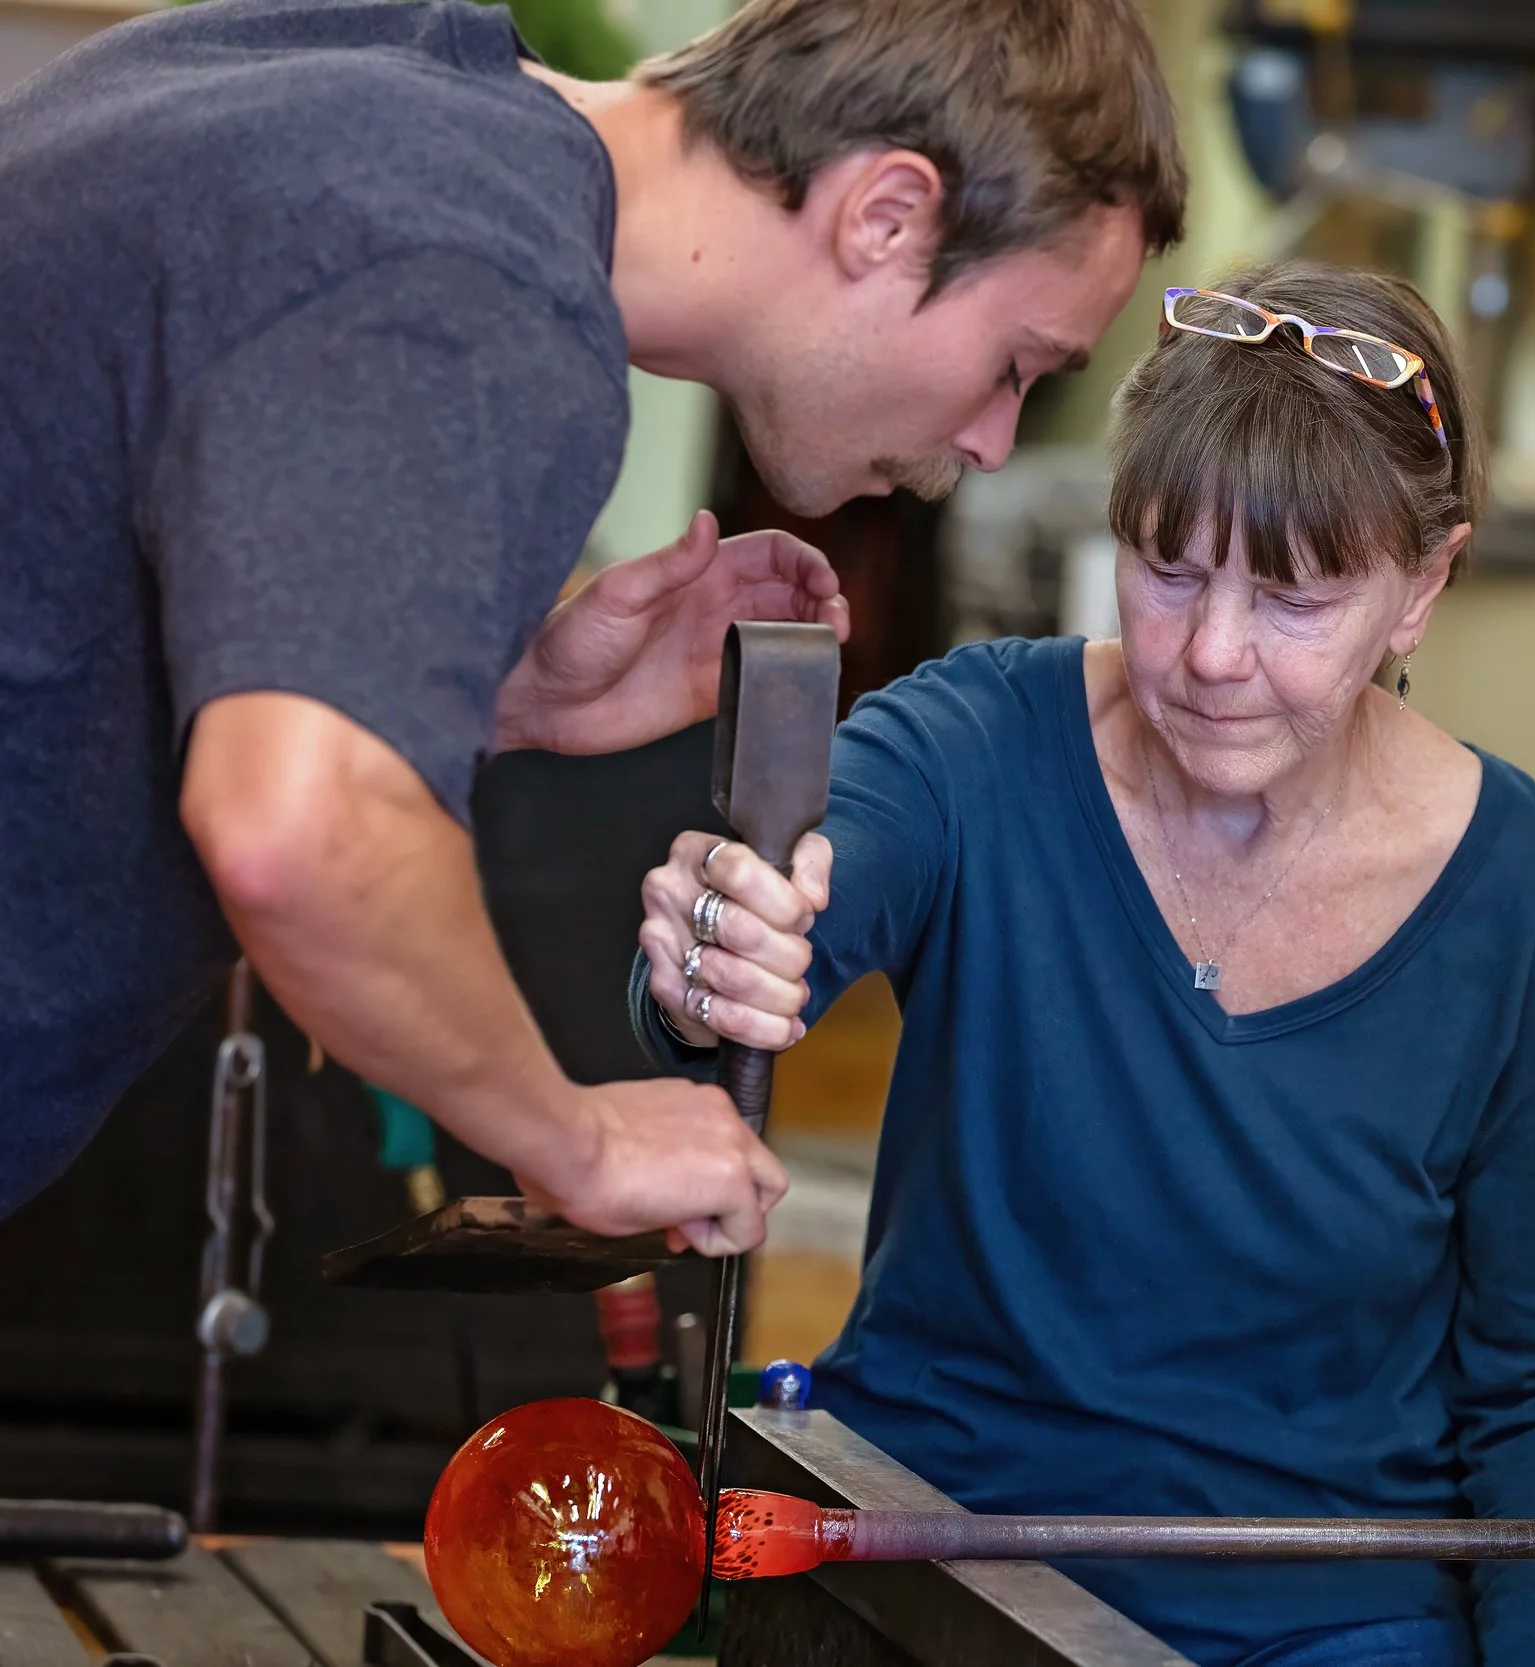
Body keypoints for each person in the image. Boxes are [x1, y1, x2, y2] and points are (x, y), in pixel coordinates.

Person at [0, 0, 1187, 1239]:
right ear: (885, 215)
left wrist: (505, 694)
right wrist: (581, 1138)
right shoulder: (473, 282)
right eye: (1016, 364)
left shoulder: (351, 85)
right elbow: (298, 828)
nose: (994, 442)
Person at [632, 261, 1535, 1667]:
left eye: (1294, 597)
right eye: (1170, 569)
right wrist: (712, 949)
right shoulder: (972, 747)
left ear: (1423, 585)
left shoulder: (1531, 899)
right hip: (938, 1564)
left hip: (1331, 1614)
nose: (1213, 652)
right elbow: (786, 904)